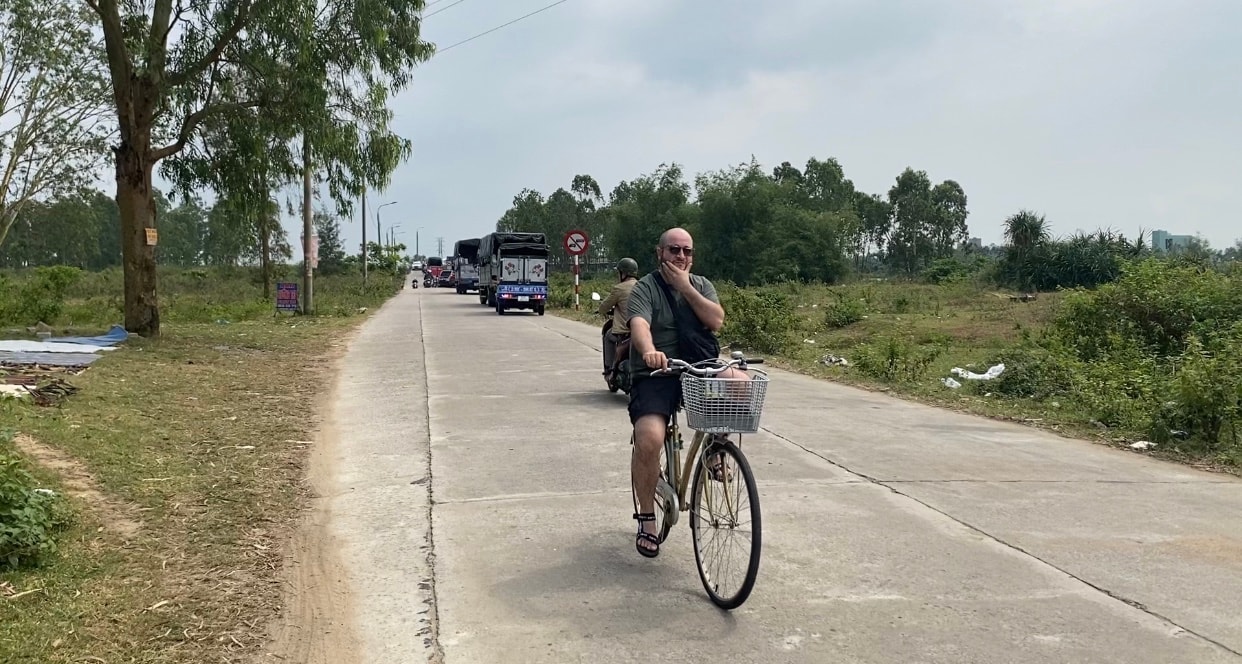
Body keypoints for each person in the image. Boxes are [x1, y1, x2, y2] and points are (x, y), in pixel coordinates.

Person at [624, 227, 745, 558]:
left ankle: (718, 446)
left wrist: (685, 287)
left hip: (697, 366)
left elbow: (716, 320)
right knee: (649, 437)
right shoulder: (644, 289)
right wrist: (649, 351)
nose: (681, 256)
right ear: (659, 253)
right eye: (674, 250)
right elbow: (639, 327)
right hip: (657, 371)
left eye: (687, 251)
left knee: (740, 382)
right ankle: (647, 518)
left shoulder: (702, 284)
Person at [597, 258, 640, 383]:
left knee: (608, 336)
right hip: (643, 330)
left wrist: (602, 310)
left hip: (624, 332)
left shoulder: (619, 288)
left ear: (623, 273)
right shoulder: (643, 286)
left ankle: (609, 369)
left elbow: (604, 307)